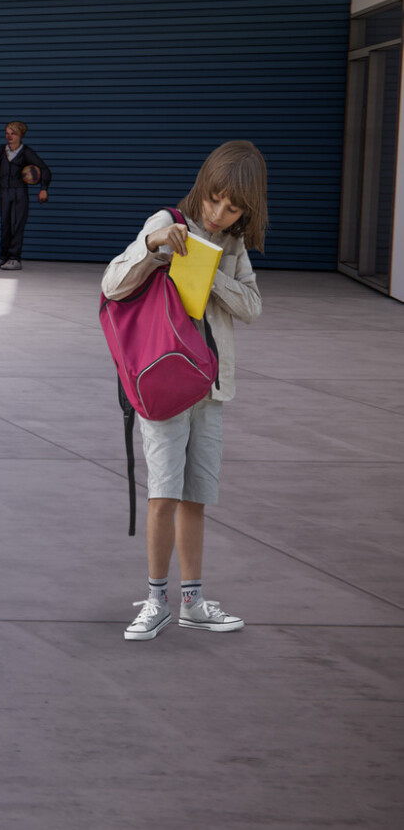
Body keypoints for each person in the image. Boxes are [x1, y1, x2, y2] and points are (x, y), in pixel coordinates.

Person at [107, 141, 266, 642]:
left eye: (232, 208)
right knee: (163, 495)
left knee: (196, 497)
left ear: (246, 211)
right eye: (215, 200)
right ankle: (156, 600)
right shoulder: (167, 221)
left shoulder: (233, 245)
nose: (219, 214)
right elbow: (112, 284)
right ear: (204, 186)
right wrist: (154, 244)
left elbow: (252, 307)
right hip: (165, 381)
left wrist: (211, 274)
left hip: (210, 389)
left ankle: (193, 602)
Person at [0, 122, 52, 269]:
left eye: (13, 133)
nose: (9, 136)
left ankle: (14, 258)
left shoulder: (26, 152)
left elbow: (44, 169)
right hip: (4, 192)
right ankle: (2, 256)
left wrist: (43, 188)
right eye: (7, 133)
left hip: (19, 193)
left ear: (21, 135)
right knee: (5, 225)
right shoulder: (1, 151)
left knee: (17, 225)